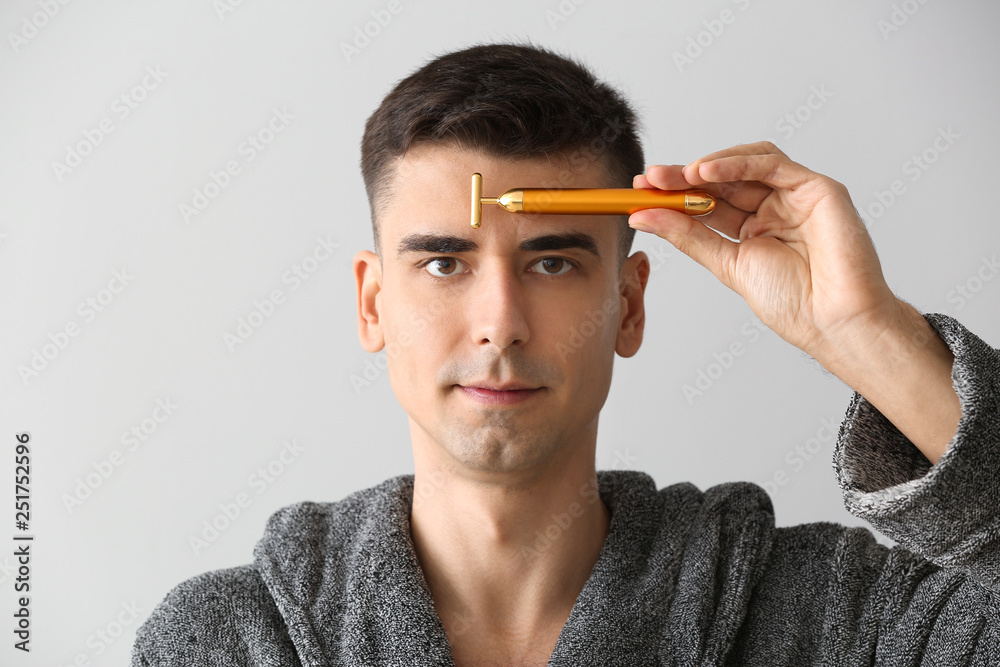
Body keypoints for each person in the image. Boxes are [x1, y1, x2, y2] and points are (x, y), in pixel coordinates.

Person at [131, 41, 999, 666]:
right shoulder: (218, 642)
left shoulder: (834, 617)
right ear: (372, 302)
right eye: (444, 261)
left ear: (627, 305)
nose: (500, 323)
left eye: (552, 260)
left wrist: (866, 334)